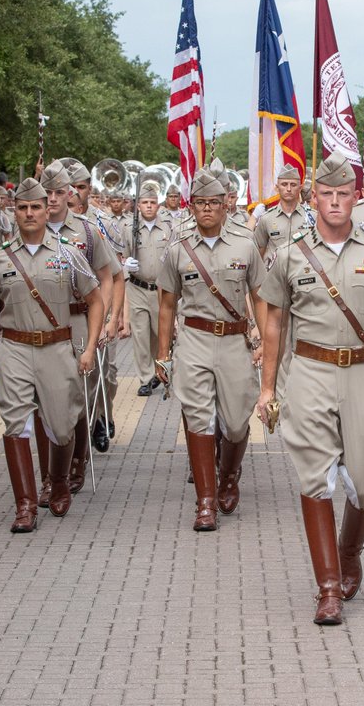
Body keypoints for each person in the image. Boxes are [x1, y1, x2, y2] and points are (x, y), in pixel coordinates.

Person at [255, 150, 364, 626]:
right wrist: (267, 389)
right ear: (312, 196)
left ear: (357, 196)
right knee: (314, 478)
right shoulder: (288, 254)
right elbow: (274, 325)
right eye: (327, 193)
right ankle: (327, 588)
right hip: (310, 372)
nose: (336, 201)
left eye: (345, 193)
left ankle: (348, 554)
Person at [0, 177, 103, 532]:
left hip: (58, 347)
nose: (29, 213)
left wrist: (89, 347)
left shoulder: (68, 253)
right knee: (15, 424)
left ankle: (58, 480)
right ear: (14, 212)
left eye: (36, 207)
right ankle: (25, 506)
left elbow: (95, 300)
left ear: (48, 210)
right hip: (14, 348)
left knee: (61, 427)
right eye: (22, 207)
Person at [156, 170, 266, 531]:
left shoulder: (245, 244)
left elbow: (260, 296)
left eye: (214, 203)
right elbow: (167, 304)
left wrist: (264, 338)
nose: (207, 209)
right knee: (198, 416)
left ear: (225, 205)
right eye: (200, 203)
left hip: (235, 340)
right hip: (194, 340)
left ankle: (229, 476)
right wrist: (163, 354)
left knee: (236, 422)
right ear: (191, 206)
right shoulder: (177, 248)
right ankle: (206, 502)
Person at [36, 159, 119, 493]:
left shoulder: (86, 230)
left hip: (78, 318)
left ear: (69, 194)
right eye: (48, 193)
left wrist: (108, 318)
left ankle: (76, 462)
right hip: (41, 320)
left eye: (59, 192)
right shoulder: (29, 229)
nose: (53, 199)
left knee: (81, 396)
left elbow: (108, 275)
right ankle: (49, 473)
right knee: (44, 399)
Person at [124, 181, 171, 397]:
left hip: (161, 290)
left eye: (153, 202)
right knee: (141, 334)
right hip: (138, 288)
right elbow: (119, 258)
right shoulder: (128, 229)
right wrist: (126, 265)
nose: (149, 206)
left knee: (158, 334)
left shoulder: (167, 228)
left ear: (158, 205)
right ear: (138, 205)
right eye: (145, 202)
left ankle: (157, 371)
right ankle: (144, 378)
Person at [252, 165, 313, 261]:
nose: (288, 189)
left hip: (302, 273)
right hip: (274, 274)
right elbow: (258, 254)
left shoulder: (312, 217)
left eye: (293, 185)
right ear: (277, 188)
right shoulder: (266, 219)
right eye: (284, 184)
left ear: (300, 188)